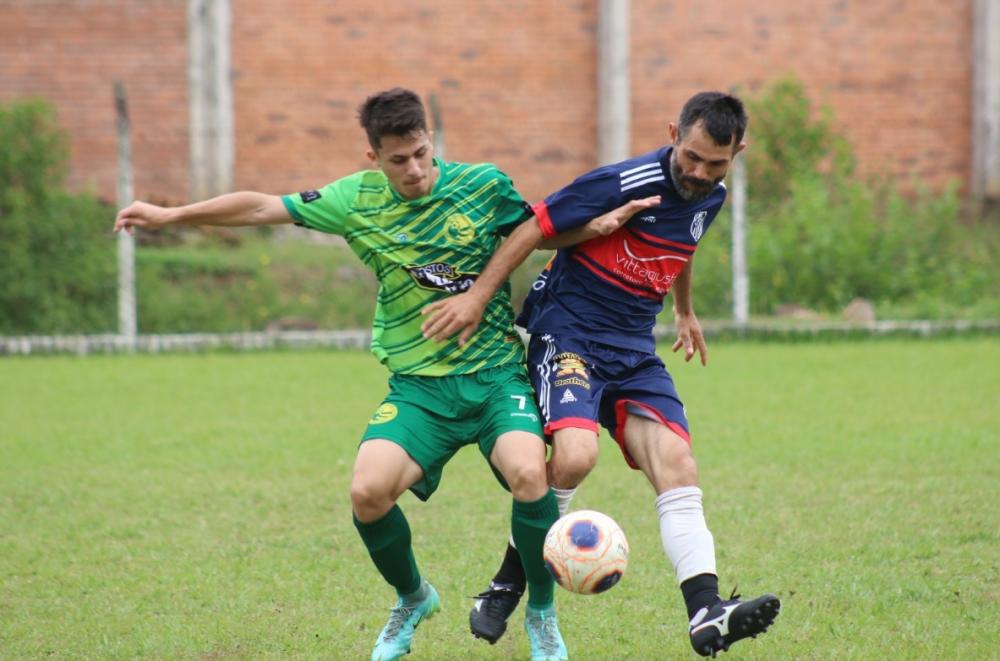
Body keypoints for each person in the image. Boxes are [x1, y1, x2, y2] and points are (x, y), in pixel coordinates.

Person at [113, 88, 577, 661]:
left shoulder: (484, 186)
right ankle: (413, 598)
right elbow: (263, 207)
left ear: (431, 140)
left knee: (531, 476)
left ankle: (541, 615)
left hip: (494, 379)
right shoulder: (355, 201)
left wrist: (616, 221)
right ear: (373, 159)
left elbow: (548, 229)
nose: (414, 170)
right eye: (398, 160)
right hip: (419, 389)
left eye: (421, 153)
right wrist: (173, 214)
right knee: (367, 492)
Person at [420, 91, 781, 657]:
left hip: (635, 349)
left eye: (717, 163)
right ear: (672, 133)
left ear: (738, 150)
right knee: (575, 457)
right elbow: (533, 226)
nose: (699, 172)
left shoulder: (711, 195)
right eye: (691, 156)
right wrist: (475, 298)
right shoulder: (622, 181)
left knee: (679, 464)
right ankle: (507, 584)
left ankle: (707, 611)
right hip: (569, 335)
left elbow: (684, 246)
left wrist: (683, 310)